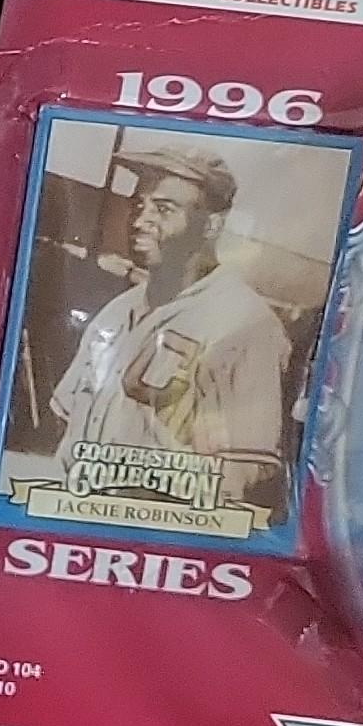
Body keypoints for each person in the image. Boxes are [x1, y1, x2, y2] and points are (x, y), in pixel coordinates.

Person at [41, 144, 292, 515]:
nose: (139, 220)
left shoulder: (247, 323)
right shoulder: (116, 312)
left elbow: (243, 470)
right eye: (139, 205)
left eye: (163, 209)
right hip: (77, 514)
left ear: (211, 224)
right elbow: (67, 424)